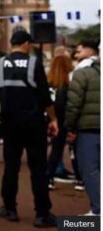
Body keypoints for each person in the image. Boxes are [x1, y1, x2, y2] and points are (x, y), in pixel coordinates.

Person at [0, 29, 58, 227]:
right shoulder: (34, 63)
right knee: (38, 169)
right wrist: (53, 119)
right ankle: (42, 213)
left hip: (9, 123)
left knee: (11, 168)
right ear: (25, 43)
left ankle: (10, 209)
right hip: (33, 123)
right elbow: (44, 96)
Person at [65, 39, 100, 215]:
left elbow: (73, 105)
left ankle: (97, 210)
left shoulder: (82, 73)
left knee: (89, 171)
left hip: (89, 129)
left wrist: (70, 128)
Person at [45, 55, 74, 190]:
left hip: (47, 119)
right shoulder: (65, 85)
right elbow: (63, 105)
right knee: (56, 150)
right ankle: (48, 177)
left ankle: (48, 177)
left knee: (53, 150)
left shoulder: (49, 81)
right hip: (60, 121)